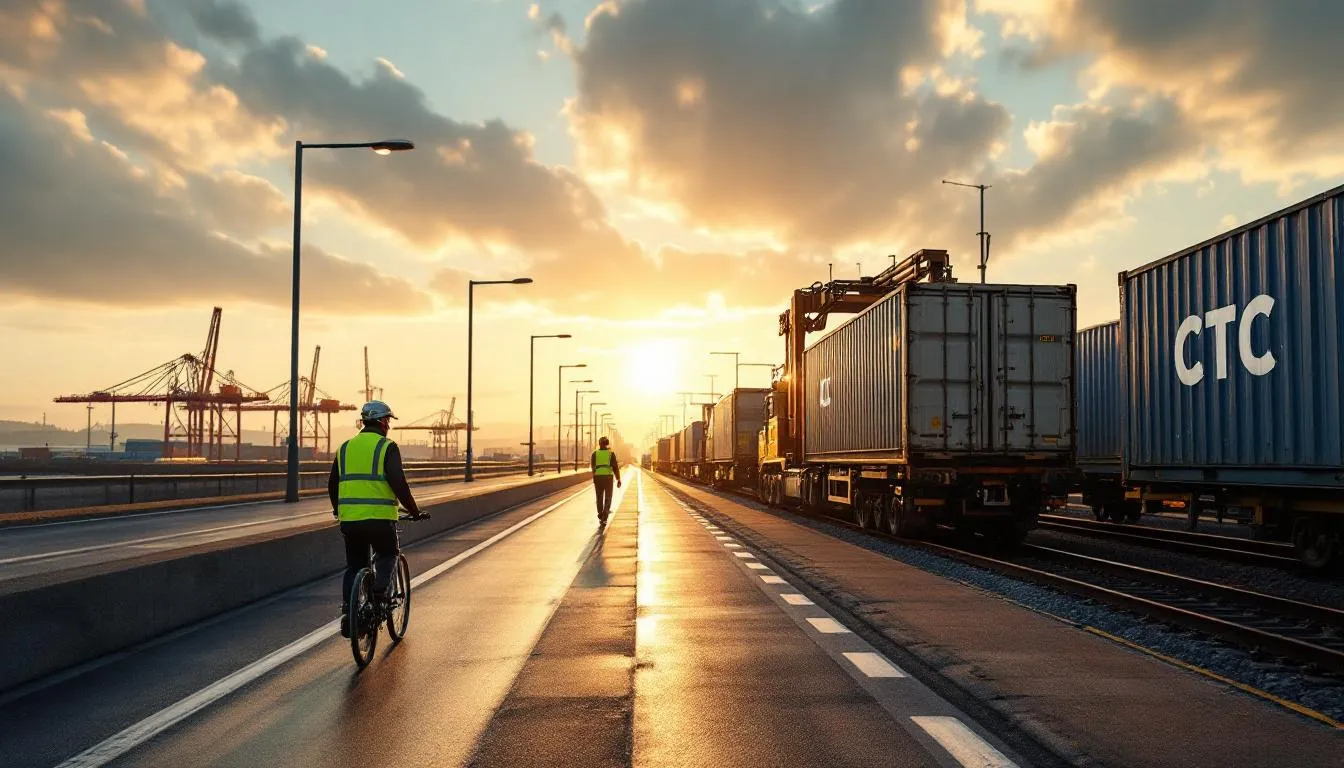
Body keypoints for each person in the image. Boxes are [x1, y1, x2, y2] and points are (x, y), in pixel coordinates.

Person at [330, 400, 425, 637]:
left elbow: (333, 484)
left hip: (350, 520)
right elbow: (399, 483)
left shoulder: (345, 448)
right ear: (382, 421)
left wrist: (338, 510)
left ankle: (350, 614)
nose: (389, 426)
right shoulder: (386, 447)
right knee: (389, 553)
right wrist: (414, 511)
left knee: (355, 566)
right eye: (388, 421)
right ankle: (381, 591)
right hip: (380, 519)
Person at [590, 436, 621, 528]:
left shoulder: (595, 454)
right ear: (607, 443)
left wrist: (595, 477)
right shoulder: (611, 454)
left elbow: (593, 467)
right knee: (608, 497)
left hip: (598, 477)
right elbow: (615, 468)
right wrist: (618, 479)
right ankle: (604, 517)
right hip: (608, 477)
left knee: (599, 497)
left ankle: (600, 514)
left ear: (599, 444)